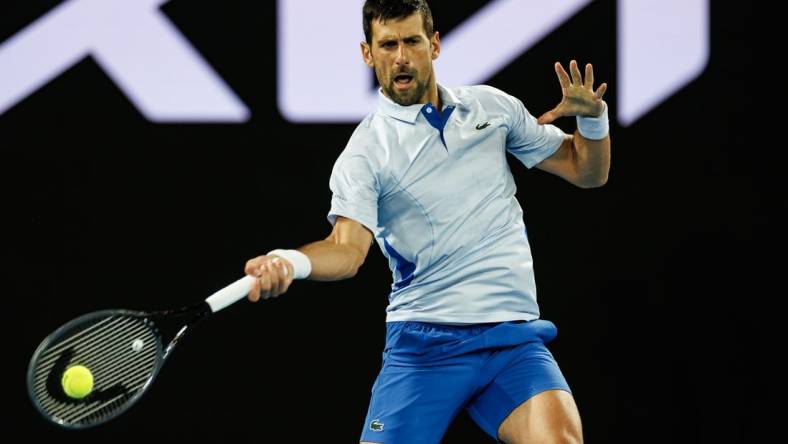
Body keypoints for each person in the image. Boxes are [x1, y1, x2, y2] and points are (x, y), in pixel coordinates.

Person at [244, 0, 610, 442]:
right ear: (368, 54)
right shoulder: (366, 153)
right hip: (424, 348)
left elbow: (587, 172)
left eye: (412, 41)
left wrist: (593, 122)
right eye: (387, 45)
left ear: (434, 45)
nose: (400, 56)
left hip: (512, 341)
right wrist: (290, 260)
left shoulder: (492, 108)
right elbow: (346, 250)